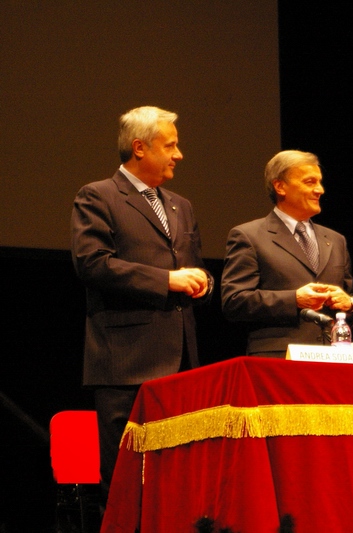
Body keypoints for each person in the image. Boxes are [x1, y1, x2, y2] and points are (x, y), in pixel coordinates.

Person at [71, 106, 213, 504]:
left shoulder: (180, 205)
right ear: (139, 148)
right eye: (170, 145)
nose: (178, 154)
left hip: (181, 363)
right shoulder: (98, 195)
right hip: (126, 363)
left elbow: (193, 268)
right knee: (125, 484)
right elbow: (92, 263)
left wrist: (203, 283)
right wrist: (167, 281)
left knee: (177, 482)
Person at [221, 150, 353, 355]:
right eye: (310, 182)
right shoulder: (248, 236)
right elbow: (234, 301)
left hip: (335, 355)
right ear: (280, 186)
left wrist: (350, 304)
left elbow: (351, 296)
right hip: (278, 359)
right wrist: (294, 299)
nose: (320, 190)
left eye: (320, 182)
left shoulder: (335, 240)